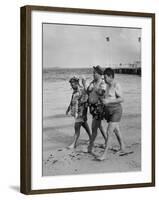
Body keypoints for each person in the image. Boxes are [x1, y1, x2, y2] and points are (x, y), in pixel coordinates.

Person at [97, 67, 125, 161]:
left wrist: (109, 101)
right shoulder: (106, 85)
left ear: (110, 76)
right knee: (116, 130)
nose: (104, 79)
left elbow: (121, 99)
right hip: (109, 112)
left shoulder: (116, 85)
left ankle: (104, 154)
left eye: (105, 77)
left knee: (109, 131)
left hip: (116, 111)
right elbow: (103, 96)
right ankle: (122, 148)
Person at [82, 66, 107, 154]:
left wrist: (95, 88)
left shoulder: (102, 82)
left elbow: (102, 92)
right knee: (99, 126)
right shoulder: (93, 82)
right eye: (93, 73)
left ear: (100, 74)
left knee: (94, 127)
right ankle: (107, 142)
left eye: (94, 73)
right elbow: (87, 91)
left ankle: (90, 147)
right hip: (92, 107)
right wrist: (84, 83)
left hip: (99, 107)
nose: (93, 74)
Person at [66, 76, 91, 149]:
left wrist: (82, 111)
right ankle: (91, 137)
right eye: (71, 85)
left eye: (72, 84)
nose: (71, 86)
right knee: (84, 125)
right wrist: (68, 108)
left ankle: (74, 144)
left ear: (77, 83)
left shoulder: (82, 90)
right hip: (77, 112)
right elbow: (72, 100)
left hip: (81, 112)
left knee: (76, 127)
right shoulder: (75, 90)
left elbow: (86, 99)